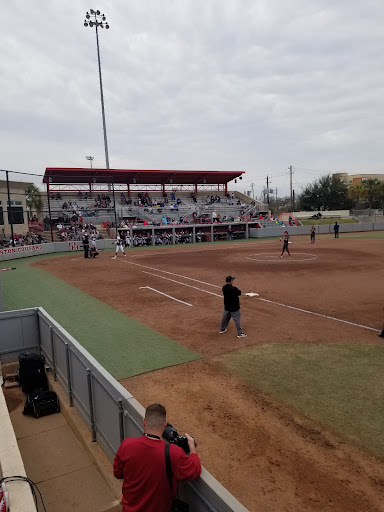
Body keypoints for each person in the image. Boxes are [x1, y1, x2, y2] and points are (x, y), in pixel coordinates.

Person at [113, 403, 201, 512]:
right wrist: (192, 447)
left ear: (144, 422)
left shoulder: (126, 445)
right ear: (165, 424)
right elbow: (195, 470)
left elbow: (117, 473)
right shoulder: (173, 452)